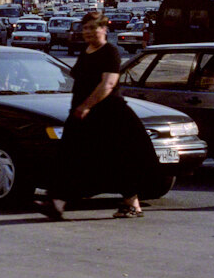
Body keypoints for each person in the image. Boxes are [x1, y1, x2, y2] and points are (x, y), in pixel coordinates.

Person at [40, 11, 161, 221]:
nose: (87, 32)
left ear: (104, 29)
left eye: (92, 28)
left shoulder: (110, 52)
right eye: (85, 28)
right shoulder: (85, 51)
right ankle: (56, 202)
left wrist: (86, 106)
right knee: (68, 157)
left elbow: (108, 84)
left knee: (117, 160)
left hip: (110, 115)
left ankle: (131, 203)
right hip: (81, 113)